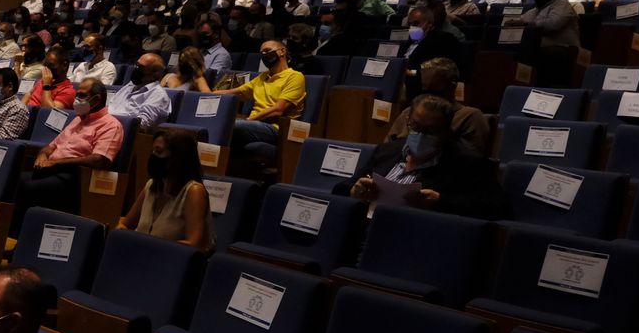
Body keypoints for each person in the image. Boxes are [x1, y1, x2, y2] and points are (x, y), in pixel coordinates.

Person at [338, 94, 509, 220]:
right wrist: (354, 190)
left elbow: (498, 208)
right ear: (408, 120)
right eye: (416, 126)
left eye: (431, 131)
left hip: (416, 237)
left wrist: (440, 202)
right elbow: (344, 187)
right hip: (364, 228)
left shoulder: (466, 164)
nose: (420, 135)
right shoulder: (387, 151)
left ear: (446, 131)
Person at [16, 78, 123, 219]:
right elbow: (52, 146)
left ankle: (24, 232)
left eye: (82, 96)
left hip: (76, 177)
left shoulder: (111, 125)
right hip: (51, 170)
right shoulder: (78, 119)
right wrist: (42, 155)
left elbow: (99, 160)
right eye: (76, 95)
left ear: (96, 99)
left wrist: (56, 163)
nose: (76, 99)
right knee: (14, 179)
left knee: (28, 188)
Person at [215, 40, 304, 164]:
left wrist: (250, 120)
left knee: (232, 126)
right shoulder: (262, 77)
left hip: (276, 128)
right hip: (254, 125)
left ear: (282, 51)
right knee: (217, 124)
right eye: (261, 53)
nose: (263, 55)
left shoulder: (295, 77)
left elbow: (279, 110)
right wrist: (205, 94)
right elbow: (235, 93)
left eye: (267, 51)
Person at [121, 130, 212, 251]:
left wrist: (153, 247)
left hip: (171, 262)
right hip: (141, 255)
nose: (153, 156)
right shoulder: (151, 185)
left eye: (159, 152)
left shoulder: (194, 191)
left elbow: (194, 243)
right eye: (152, 151)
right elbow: (126, 224)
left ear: (178, 157)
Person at [389, 57, 488, 158]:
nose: (429, 98)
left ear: (452, 86)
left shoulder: (470, 116)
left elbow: (472, 159)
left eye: (435, 91)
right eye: (425, 91)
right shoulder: (410, 112)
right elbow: (386, 149)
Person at [514, 0, 579, 87]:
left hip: (562, 49)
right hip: (538, 49)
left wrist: (528, 25)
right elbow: (520, 22)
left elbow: (552, 24)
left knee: (549, 53)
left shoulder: (562, 5)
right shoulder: (535, 10)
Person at [107, 54, 173, 129]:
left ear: (155, 75)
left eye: (141, 68)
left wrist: (109, 123)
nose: (135, 69)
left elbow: (142, 125)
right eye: (136, 65)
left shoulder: (158, 95)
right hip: (106, 126)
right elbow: (110, 107)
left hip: (124, 132)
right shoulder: (129, 86)